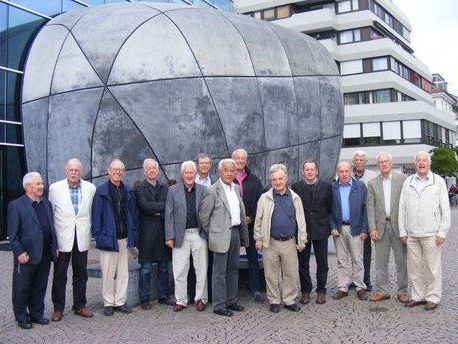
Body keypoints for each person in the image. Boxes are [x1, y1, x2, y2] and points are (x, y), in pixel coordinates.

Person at [399, 151, 450, 310]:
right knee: (414, 267)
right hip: (412, 233)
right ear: (415, 164)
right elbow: (402, 208)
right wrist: (403, 230)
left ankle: (433, 297)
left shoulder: (438, 181)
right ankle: (417, 296)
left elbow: (445, 209)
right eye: (418, 161)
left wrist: (442, 231)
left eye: (424, 161)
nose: (421, 163)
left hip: (431, 233)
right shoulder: (408, 181)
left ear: (429, 164)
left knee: (432, 267)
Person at [199, 158, 249, 317]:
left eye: (232, 170)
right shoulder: (212, 190)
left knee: (233, 269)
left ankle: (231, 300)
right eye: (226, 170)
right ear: (220, 172)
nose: (229, 173)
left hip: (235, 233)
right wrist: (213, 234)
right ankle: (219, 305)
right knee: (219, 272)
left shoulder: (235, 189)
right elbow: (203, 217)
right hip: (220, 236)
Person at [8, 172, 58, 329]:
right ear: (28, 187)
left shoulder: (46, 204)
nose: (41, 186)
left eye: (41, 183)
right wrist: (19, 253)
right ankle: (22, 317)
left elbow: (51, 227)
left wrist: (54, 246)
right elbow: (12, 234)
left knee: (40, 285)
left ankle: (36, 314)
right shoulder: (16, 205)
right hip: (26, 255)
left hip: (45, 253)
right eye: (37, 184)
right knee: (22, 287)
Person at [254, 164, 307, 313]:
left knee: (290, 273)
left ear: (286, 179)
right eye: (274, 180)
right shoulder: (265, 198)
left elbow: (301, 220)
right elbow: (258, 220)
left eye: (280, 179)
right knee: (271, 274)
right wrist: (258, 239)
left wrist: (302, 240)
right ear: (271, 181)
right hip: (270, 242)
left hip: (289, 242)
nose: (277, 182)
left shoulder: (295, 197)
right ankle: (274, 300)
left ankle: (289, 300)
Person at [49, 158, 96, 322]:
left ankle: (79, 305)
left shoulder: (90, 188)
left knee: (81, 274)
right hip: (62, 239)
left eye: (76, 170)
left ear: (81, 171)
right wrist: (53, 242)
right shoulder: (55, 188)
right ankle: (58, 308)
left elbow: (91, 213)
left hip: (82, 238)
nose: (74, 173)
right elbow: (50, 216)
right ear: (66, 171)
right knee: (60, 275)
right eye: (71, 170)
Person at [91, 158, 139, 316]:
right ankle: (108, 302)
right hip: (108, 238)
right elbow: (96, 216)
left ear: (123, 172)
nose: (117, 172)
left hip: (123, 238)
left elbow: (132, 214)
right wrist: (98, 236)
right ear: (109, 171)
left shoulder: (127, 190)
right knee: (108, 273)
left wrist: (132, 232)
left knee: (123, 272)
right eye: (114, 169)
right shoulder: (101, 191)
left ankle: (120, 301)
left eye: (120, 170)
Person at [165, 161, 208, 312]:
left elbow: (208, 213)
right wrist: (169, 236)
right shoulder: (173, 190)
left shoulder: (203, 190)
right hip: (179, 235)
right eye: (186, 173)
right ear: (182, 174)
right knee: (180, 269)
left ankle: (201, 298)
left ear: (196, 174)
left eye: (192, 172)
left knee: (201, 268)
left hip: (199, 234)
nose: (189, 175)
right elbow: (168, 214)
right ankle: (181, 300)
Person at [367, 152, 409, 304]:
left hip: (399, 226)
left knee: (401, 261)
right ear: (377, 165)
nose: (383, 164)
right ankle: (382, 291)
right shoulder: (372, 183)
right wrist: (372, 228)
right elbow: (370, 207)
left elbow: (407, 205)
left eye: (386, 161)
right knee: (380, 262)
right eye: (381, 162)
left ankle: (403, 291)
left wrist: (406, 227)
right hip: (380, 227)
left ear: (391, 164)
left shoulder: (403, 180)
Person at [292, 160, 332, 305]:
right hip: (303, 231)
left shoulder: (326, 186)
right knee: (303, 263)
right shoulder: (295, 187)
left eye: (312, 169)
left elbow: (329, 208)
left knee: (322, 262)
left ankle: (321, 291)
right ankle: (306, 291)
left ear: (316, 171)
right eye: (307, 169)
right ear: (303, 172)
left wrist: (327, 226)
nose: (309, 172)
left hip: (321, 229)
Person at [134, 158, 172, 310]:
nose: (151, 171)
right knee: (146, 269)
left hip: (163, 232)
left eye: (154, 168)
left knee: (164, 267)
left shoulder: (164, 187)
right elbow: (145, 207)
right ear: (145, 171)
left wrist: (156, 209)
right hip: (147, 234)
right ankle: (145, 299)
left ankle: (163, 296)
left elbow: (169, 206)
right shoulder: (140, 188)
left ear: (157, 171)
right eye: (149, 168)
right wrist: (158, 209)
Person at [331, 161, 369, 301]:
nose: (344, 174)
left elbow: (366, 209)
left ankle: (360, 287)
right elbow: (328, 210)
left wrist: (365, 228)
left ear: (351, 171)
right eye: (341, 171)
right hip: (339, 229)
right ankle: (342, 288)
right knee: (342, 260)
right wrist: (332, 226)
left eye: (347, 171)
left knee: (358, 260)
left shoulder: (360, 186)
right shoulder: (333, 187)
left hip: (357, 229)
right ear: (337, 172)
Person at [232, 148, 265, 302]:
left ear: (246, 160)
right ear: (233, 159)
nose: (240, 161)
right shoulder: (227, 178)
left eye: (242, 158)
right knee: (231, 258)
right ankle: (231, 291)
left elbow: (260, 201)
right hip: (232, 226)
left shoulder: (254, 180)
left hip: (250, 224)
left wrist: (251, 217)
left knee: (253, 257)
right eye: (237, 158)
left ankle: (256, 290)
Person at [352, 150, 377, 291]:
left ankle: (366, 279)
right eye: (357, 160)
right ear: (353, 162)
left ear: (365, 162)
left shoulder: (372, 176)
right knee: (353, 252)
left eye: (362, 160)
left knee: (366, 252)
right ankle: (355, 279)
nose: (359, 162)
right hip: (351, 220)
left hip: (366, 219)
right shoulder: (347, 175)